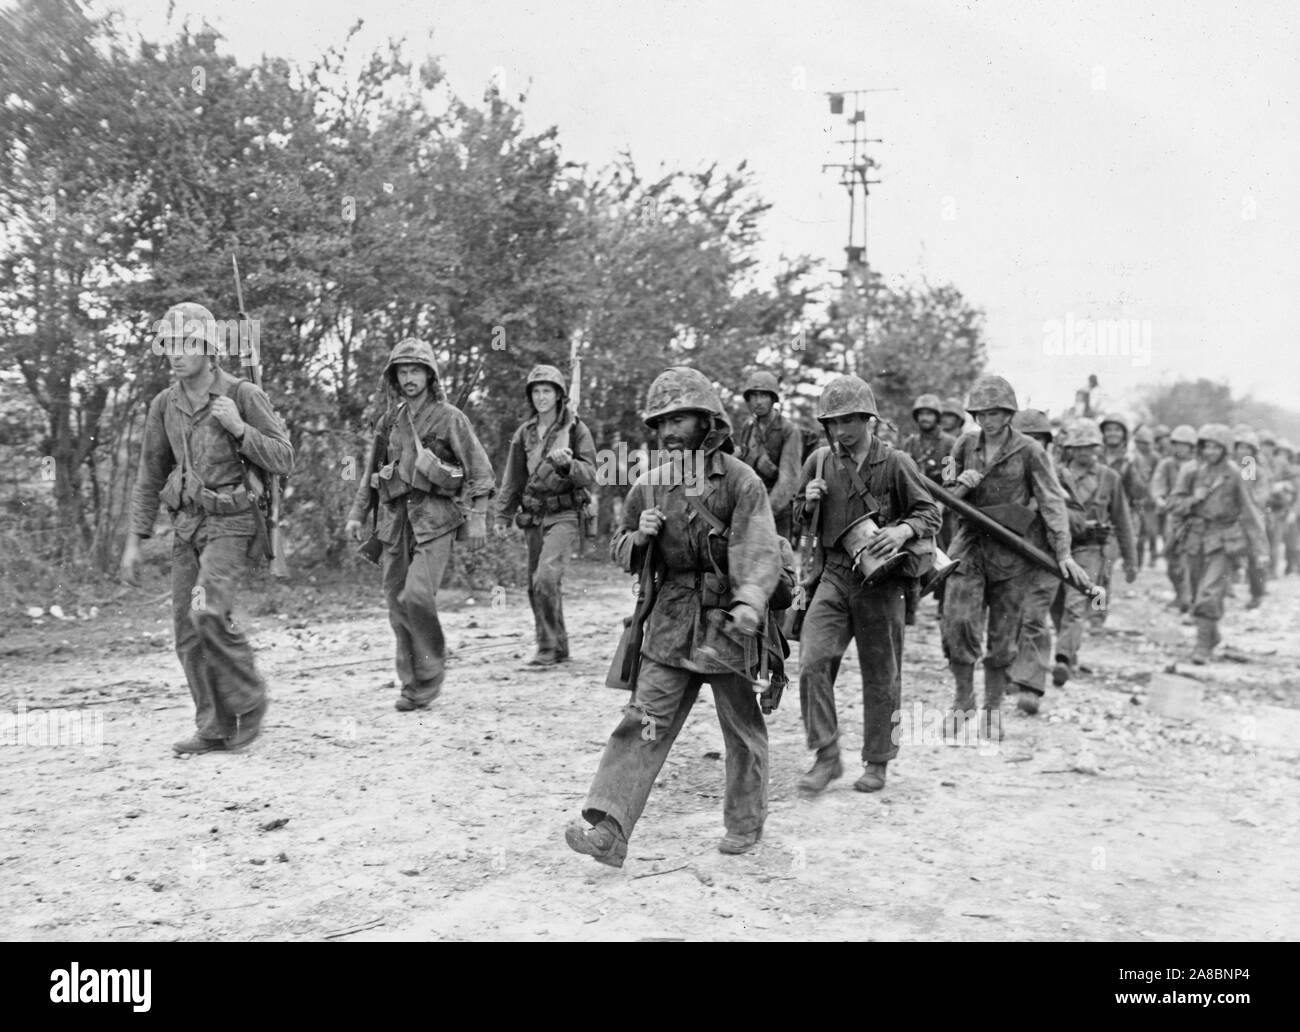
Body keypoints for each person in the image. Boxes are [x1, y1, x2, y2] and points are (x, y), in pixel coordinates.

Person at [565, 367, 783, 866]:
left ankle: (746, 823)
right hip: (669, 620)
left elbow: (759, 546)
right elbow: (619, 551)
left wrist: (750, 599)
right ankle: (609, 830)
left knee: (742, 730)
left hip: (728, 622)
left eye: (679, 417)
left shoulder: (740, 481)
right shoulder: (648, 485)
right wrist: (638, 538)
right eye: (661, 421)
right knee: (642, 722)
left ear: (708, 421)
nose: (668, 431)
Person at [122, 302, 294, 755]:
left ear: (208, 347)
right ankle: (214, 726)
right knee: (187, 630)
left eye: (185, 344)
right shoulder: (165, 404)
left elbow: (284, 458)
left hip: (234, 521)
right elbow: (150, 473)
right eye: (169, 345)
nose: (175, 354)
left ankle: (249, 699)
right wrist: (134, 541)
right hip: (188, 525)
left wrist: (239, 429)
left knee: (208, 612)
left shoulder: (241, 395)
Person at [792, 375, 942, 793]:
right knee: (812, 662)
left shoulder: (896, 463)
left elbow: (931, 514)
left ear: (868, 419)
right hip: (835, 575)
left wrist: (902, 532)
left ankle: (878, 761)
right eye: (833, 422)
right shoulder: (819, 460)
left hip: (883, 581)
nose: (841, 431)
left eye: (849, 421)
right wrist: (809, 502)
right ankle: (825, 754)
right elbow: (795, 517)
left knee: (882, 675)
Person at [344, 338, 494, 710]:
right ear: (394, 377)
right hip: (395, 523)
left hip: (434, 521)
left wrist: (477, 520)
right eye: (403, 371)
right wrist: (357, 514)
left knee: (416, 595)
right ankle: (411, 684)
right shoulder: (389, 420)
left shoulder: (450, 418)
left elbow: (481, 472)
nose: (409, 378)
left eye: (416, 370)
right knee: (396, 603)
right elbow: (369, 475)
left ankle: (429, 674)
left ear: (429, 375)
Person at [940, 376, 1084, 738]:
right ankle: (962, 700)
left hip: (1011, 552)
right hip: (969, 545)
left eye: (996, 413)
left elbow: (1052, 500)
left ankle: (991, 709)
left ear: (1008, 414)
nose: (988, 420)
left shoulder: (1030, 451)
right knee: (957, 623)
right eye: (982, 413)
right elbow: (941, 492)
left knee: (1004, 637)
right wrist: (962, 484)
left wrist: (1063, 551)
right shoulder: (962, 445)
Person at [494, 364, 598, 666]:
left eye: (547, 391)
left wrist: (568, 466)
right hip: (534, 515)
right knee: (535, 583)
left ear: (558, 396)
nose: (541, 397)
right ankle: (558, 644)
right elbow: (512, 478)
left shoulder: (577, 430)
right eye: (536, 391)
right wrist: (502, 515)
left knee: (546, 578)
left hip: (564, 514)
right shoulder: (524, 434)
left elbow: (590, 473)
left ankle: (547, 647)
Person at [1168, 424, 1268, 664]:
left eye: (1217, 447)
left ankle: (1202, 647)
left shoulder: (1241, 470)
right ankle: (1211, 637)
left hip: (1224, 539)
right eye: (1207, 446)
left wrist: (1260, 549)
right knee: (1195, 592)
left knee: (1210, 592)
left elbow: (1252, 506)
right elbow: (1174, 503)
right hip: (1195, 537)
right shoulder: (1191, 470)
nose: (1211, 451)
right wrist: (1194, 500)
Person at [1050, 419, 1136, 687]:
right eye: (1078, 447)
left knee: (1078, 601)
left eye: (1090, 447)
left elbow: (1123, 521)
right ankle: (1070, 650)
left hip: (1092, 548)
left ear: (1097, 448)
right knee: (1056, 603)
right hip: (1057, 546)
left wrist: (1131, 561)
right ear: (1069, 449)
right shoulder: (1055, 474)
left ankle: (1063, 658)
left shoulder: (1109, 478)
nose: (1084, 452)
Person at [1006, 409, 1078, 714]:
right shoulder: (1003, 472)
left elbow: (1078, 519)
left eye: (1038, 438)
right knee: (1010, 617)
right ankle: (1011, 669)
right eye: (1026, 438)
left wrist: (1050, 506)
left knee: (1034, 617)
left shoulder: (1059, 474)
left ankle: (1031, 685)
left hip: (1046, 557)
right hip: (1010, 556)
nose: (1032, 445)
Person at [901, 393, 957, 622]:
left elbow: (950, 480)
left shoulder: (948, 444)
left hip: (941, 508)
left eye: (929, 414)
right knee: (912, 556)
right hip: (913, 507)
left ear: (937, 417)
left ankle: (945, 609)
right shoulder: (910, 443)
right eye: (921, 414)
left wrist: (941, 506)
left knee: (946, 558)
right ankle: (910, 609)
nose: (925, 418)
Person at [735, 370, 802, 542]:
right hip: (749, 505)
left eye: (763, 395)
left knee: (778, 563)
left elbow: (788, 480)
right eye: (754, 396)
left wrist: (764, 514)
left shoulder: (789, 430)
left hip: (776, 512)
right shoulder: (748, 428)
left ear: (773, 399)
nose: (758, 401)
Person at [1150, 424, 1198, 610]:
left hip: (1194, 518)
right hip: (1173, 518)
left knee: (1191, 560)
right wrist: (1160, 499)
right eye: (1177, 444)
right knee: (1172, 559)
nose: (1180, 448)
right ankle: (1180, 595)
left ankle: (1190, 599)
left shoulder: (1199, 465)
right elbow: (1157, 484)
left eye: (1184, 444)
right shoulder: (1167, 464)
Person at [1232, 429, 1270, 609]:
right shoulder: (1230, 467)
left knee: (1256, 558)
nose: (1243, 451)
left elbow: (1260, 497)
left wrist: (1245, 504)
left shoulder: (1253, 469)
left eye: (1248, 448)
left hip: (1251, 519)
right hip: (1231, 518)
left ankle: (1257, 594)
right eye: (1240, 447)